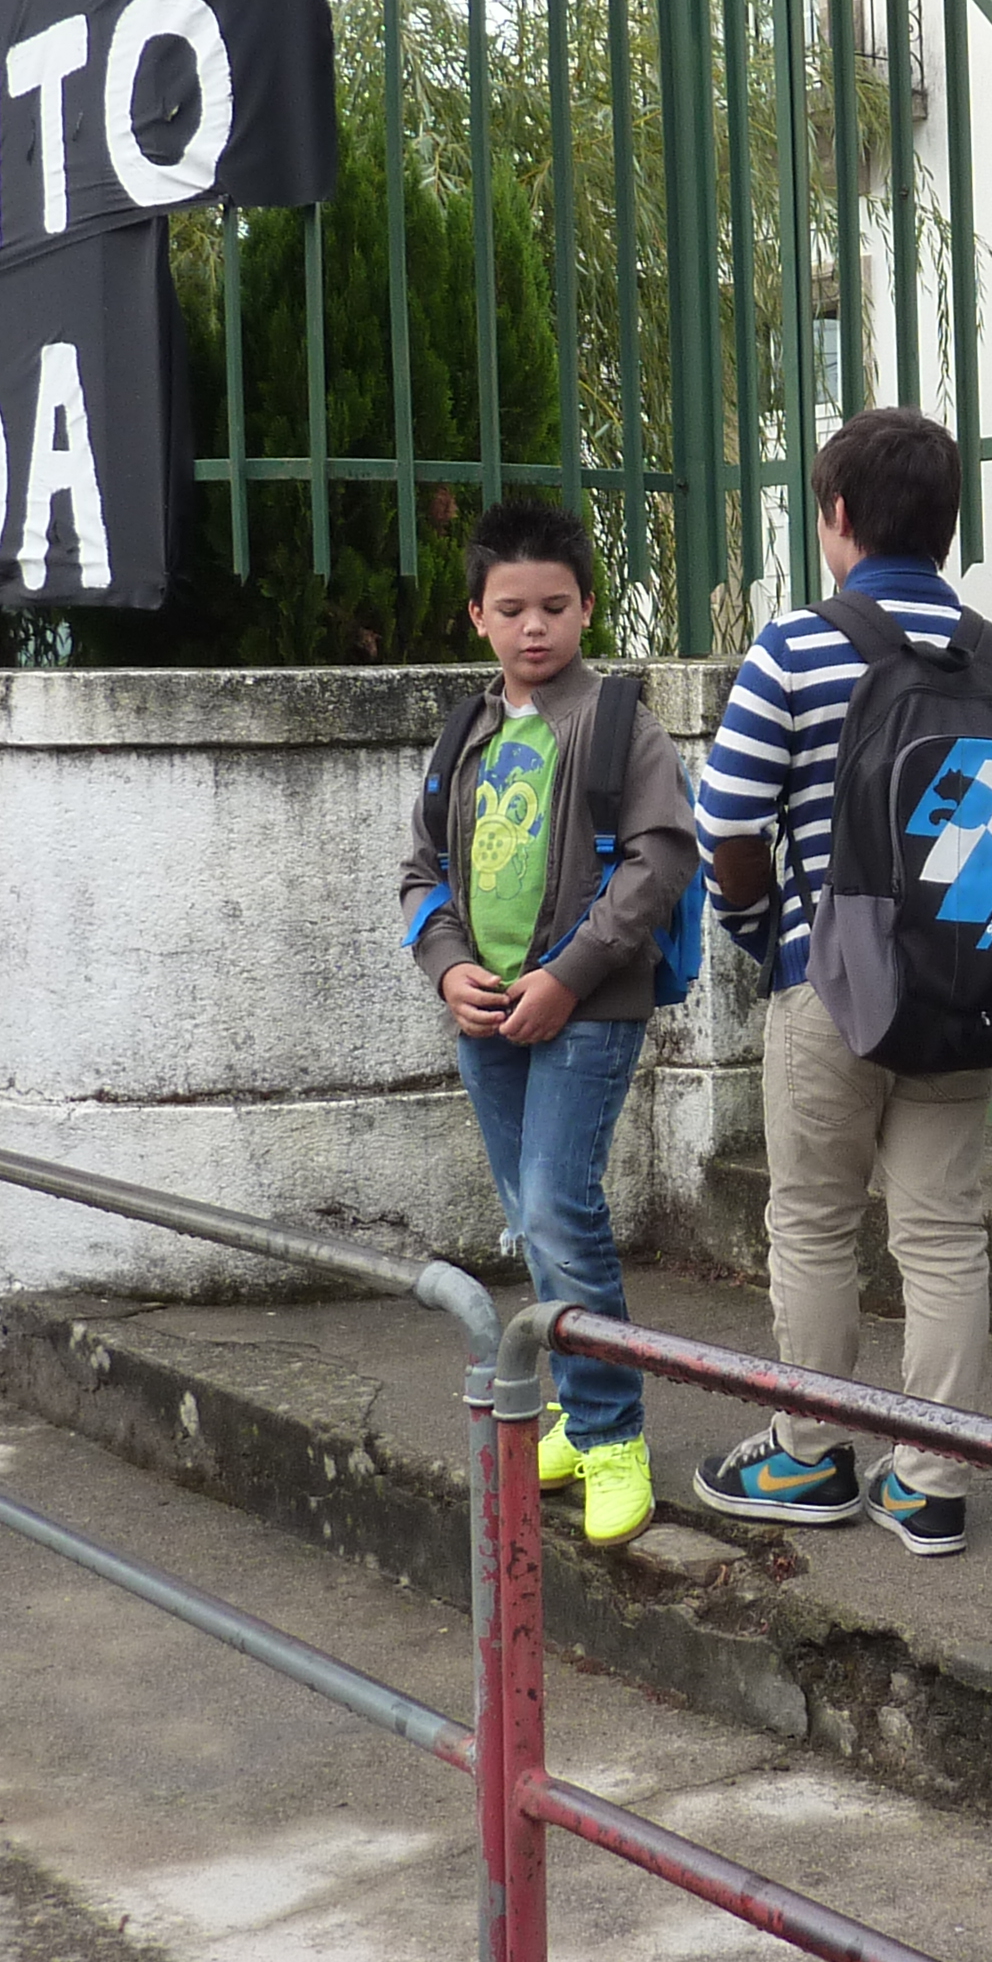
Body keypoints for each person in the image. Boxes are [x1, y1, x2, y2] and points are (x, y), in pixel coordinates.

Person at [690, 408, 992, 1559]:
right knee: (944, 1231)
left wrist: (768, 935)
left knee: (813, 1220)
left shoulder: (793, 649)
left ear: (837, 517)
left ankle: (811, 1454)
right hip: (959, 988)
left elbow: (728, 826)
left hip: (828, 986)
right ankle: (931, 1483)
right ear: (946, 526)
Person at [401, 501, 701, 1546]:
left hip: (583, 1011)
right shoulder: (468, 733)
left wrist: (567, 978)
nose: (536, 627)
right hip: (485, 1017)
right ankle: (576, 1408)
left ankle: (616, 1434)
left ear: (585, 610)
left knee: (561, 1208)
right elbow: (422, 873)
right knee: (531, 1215)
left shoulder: (619, 726)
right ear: (477, 615)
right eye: (512, 608)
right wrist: (447, 971)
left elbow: (660, 864)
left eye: (557, 607)